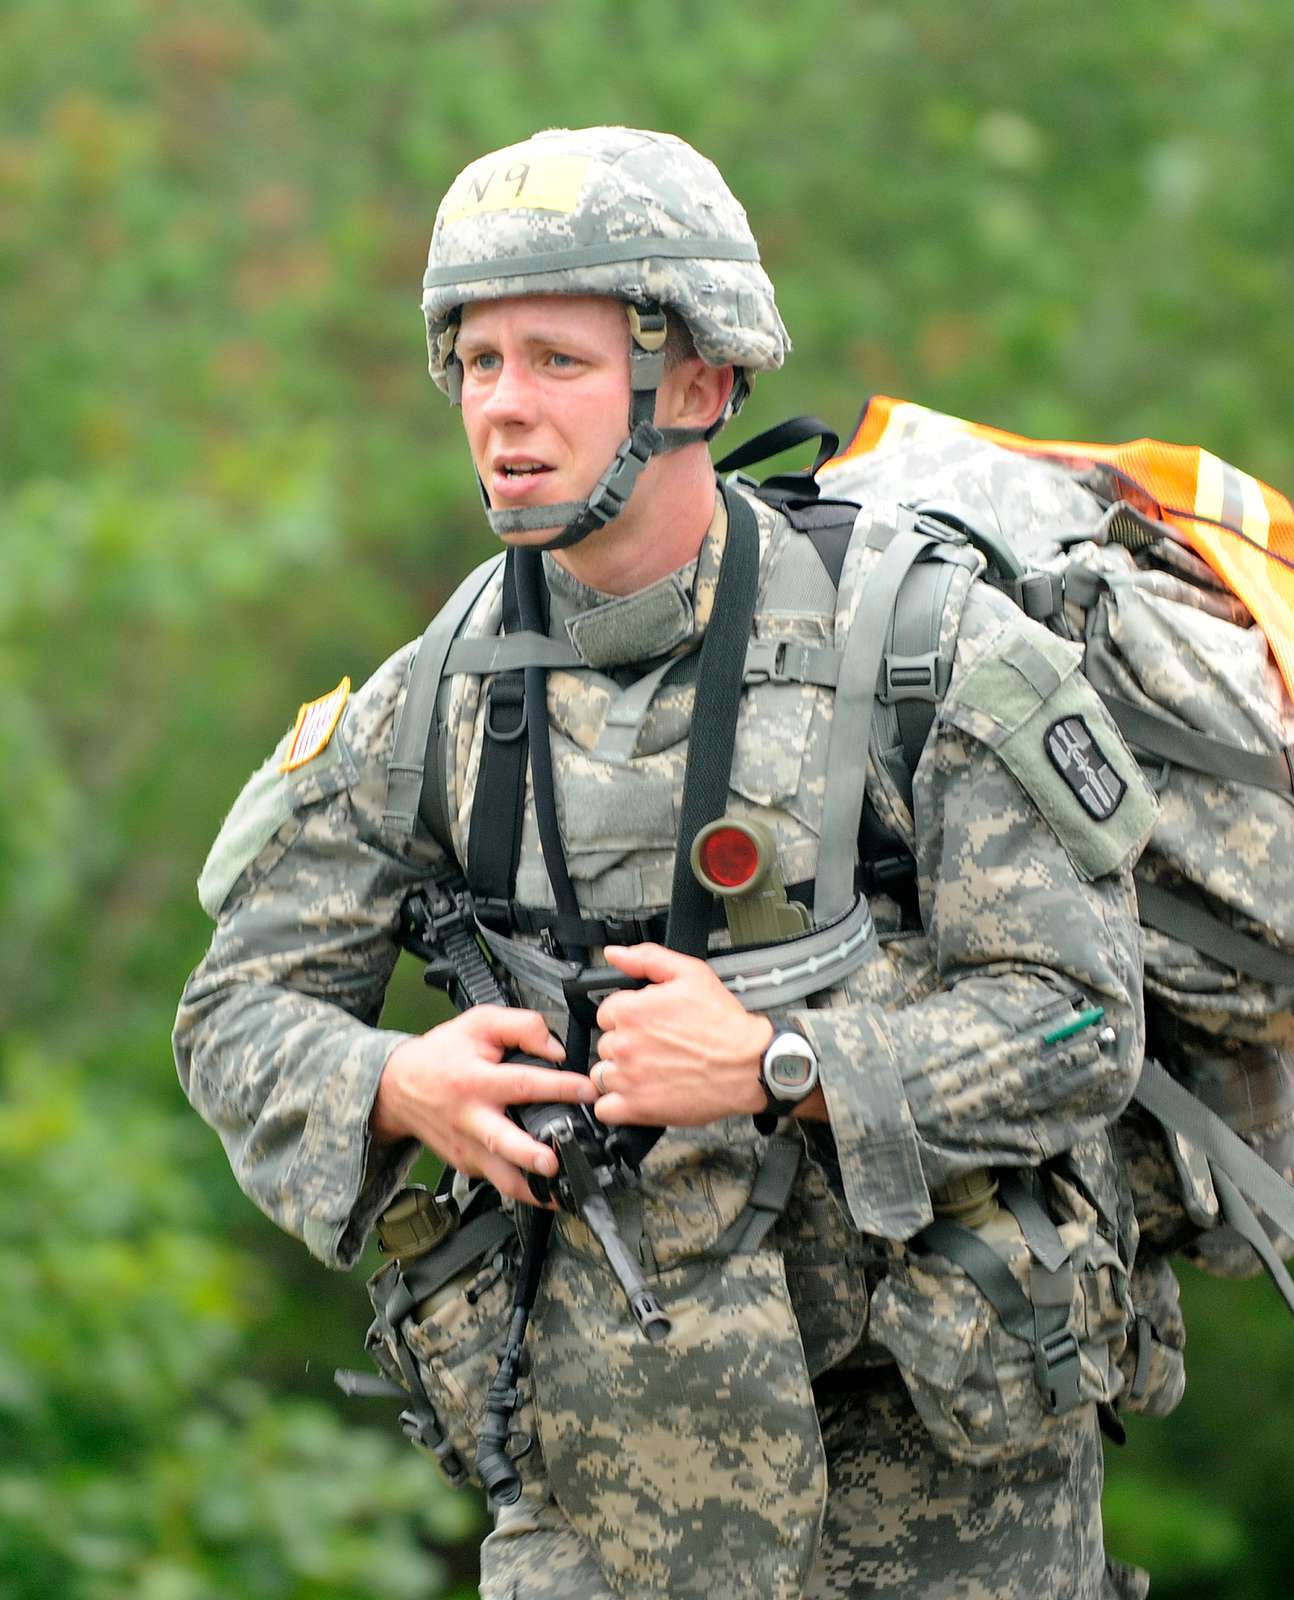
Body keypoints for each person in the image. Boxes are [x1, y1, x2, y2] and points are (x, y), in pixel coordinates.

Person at [175, 126, 1159, 1600]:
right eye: (478, 362)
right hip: (601, 1493)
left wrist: (781, 1063)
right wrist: (395, 1082)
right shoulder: (430, 697)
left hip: (944, 1490)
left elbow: (1082, 1025)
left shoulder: (921, 652)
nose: (502, 410)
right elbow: (231, 1015)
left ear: (693, 383)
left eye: (556, 363)